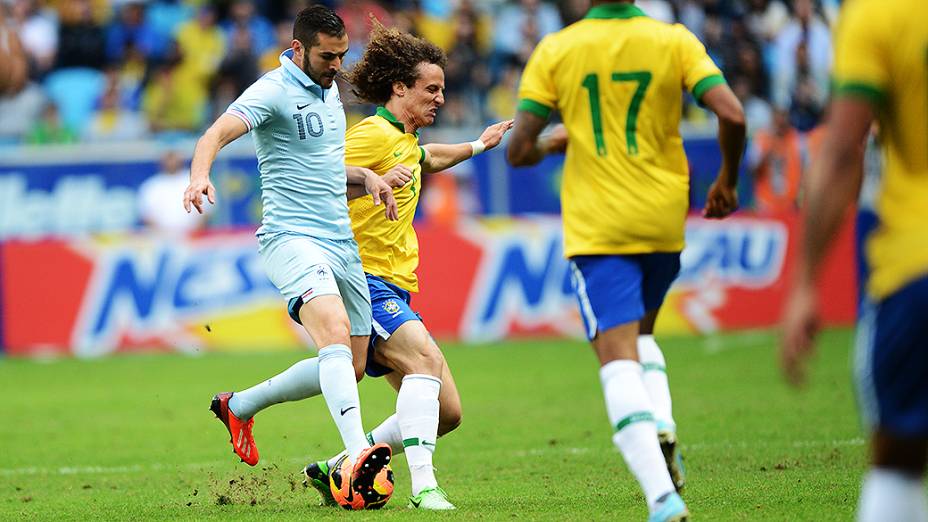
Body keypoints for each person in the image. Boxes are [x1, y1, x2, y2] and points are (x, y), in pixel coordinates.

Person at [507, 1, 745, 521]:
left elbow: (518, 150)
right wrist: (726, 180)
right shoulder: (675, 40)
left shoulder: (557, 48)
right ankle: (661, 423)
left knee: (616, 357)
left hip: (601, 228)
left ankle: (662, 500)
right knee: (642, 335)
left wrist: (553, 144)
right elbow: (731, 112)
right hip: (664, 219)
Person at [182, 5, 399, 501]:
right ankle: (353, 457)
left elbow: (324, 168)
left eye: (343, 55)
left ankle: (239, 405)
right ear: (298, 48)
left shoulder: (329, 91)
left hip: (340, 241)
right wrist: (199, 174)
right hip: (292, 239)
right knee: (335, 338)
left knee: (354, 364)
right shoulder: (272, 90)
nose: (338, 65)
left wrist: (366, 177)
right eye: (328, 56)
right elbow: (213, 134)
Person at [301, 23, 512, 511]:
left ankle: (342, 466)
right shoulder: (371, 134)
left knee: (447, 412)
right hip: (363, 281)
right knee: (425, 362)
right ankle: (425, 489)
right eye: (431, 89)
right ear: (400, 88)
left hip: (396, 286)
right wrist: (371, 178)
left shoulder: (403, 139)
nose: (440, 98)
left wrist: (479, 145)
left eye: (443, 89)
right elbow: (320, 175)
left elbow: (427, 158)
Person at [781, 1, 928, 520]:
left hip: (915, 260)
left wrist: (804, 284)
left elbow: (843, 150)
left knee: (897, 457)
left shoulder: (879, 14)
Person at [139, 150, 206, 235]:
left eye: (173, 157)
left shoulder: (196, 181)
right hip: (160, 239)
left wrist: (192, 234)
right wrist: (164, 235)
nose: (171, 161)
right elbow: (147, 216)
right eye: (168, 157)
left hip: (194, 238)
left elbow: (206, 212)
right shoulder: (151, 185)